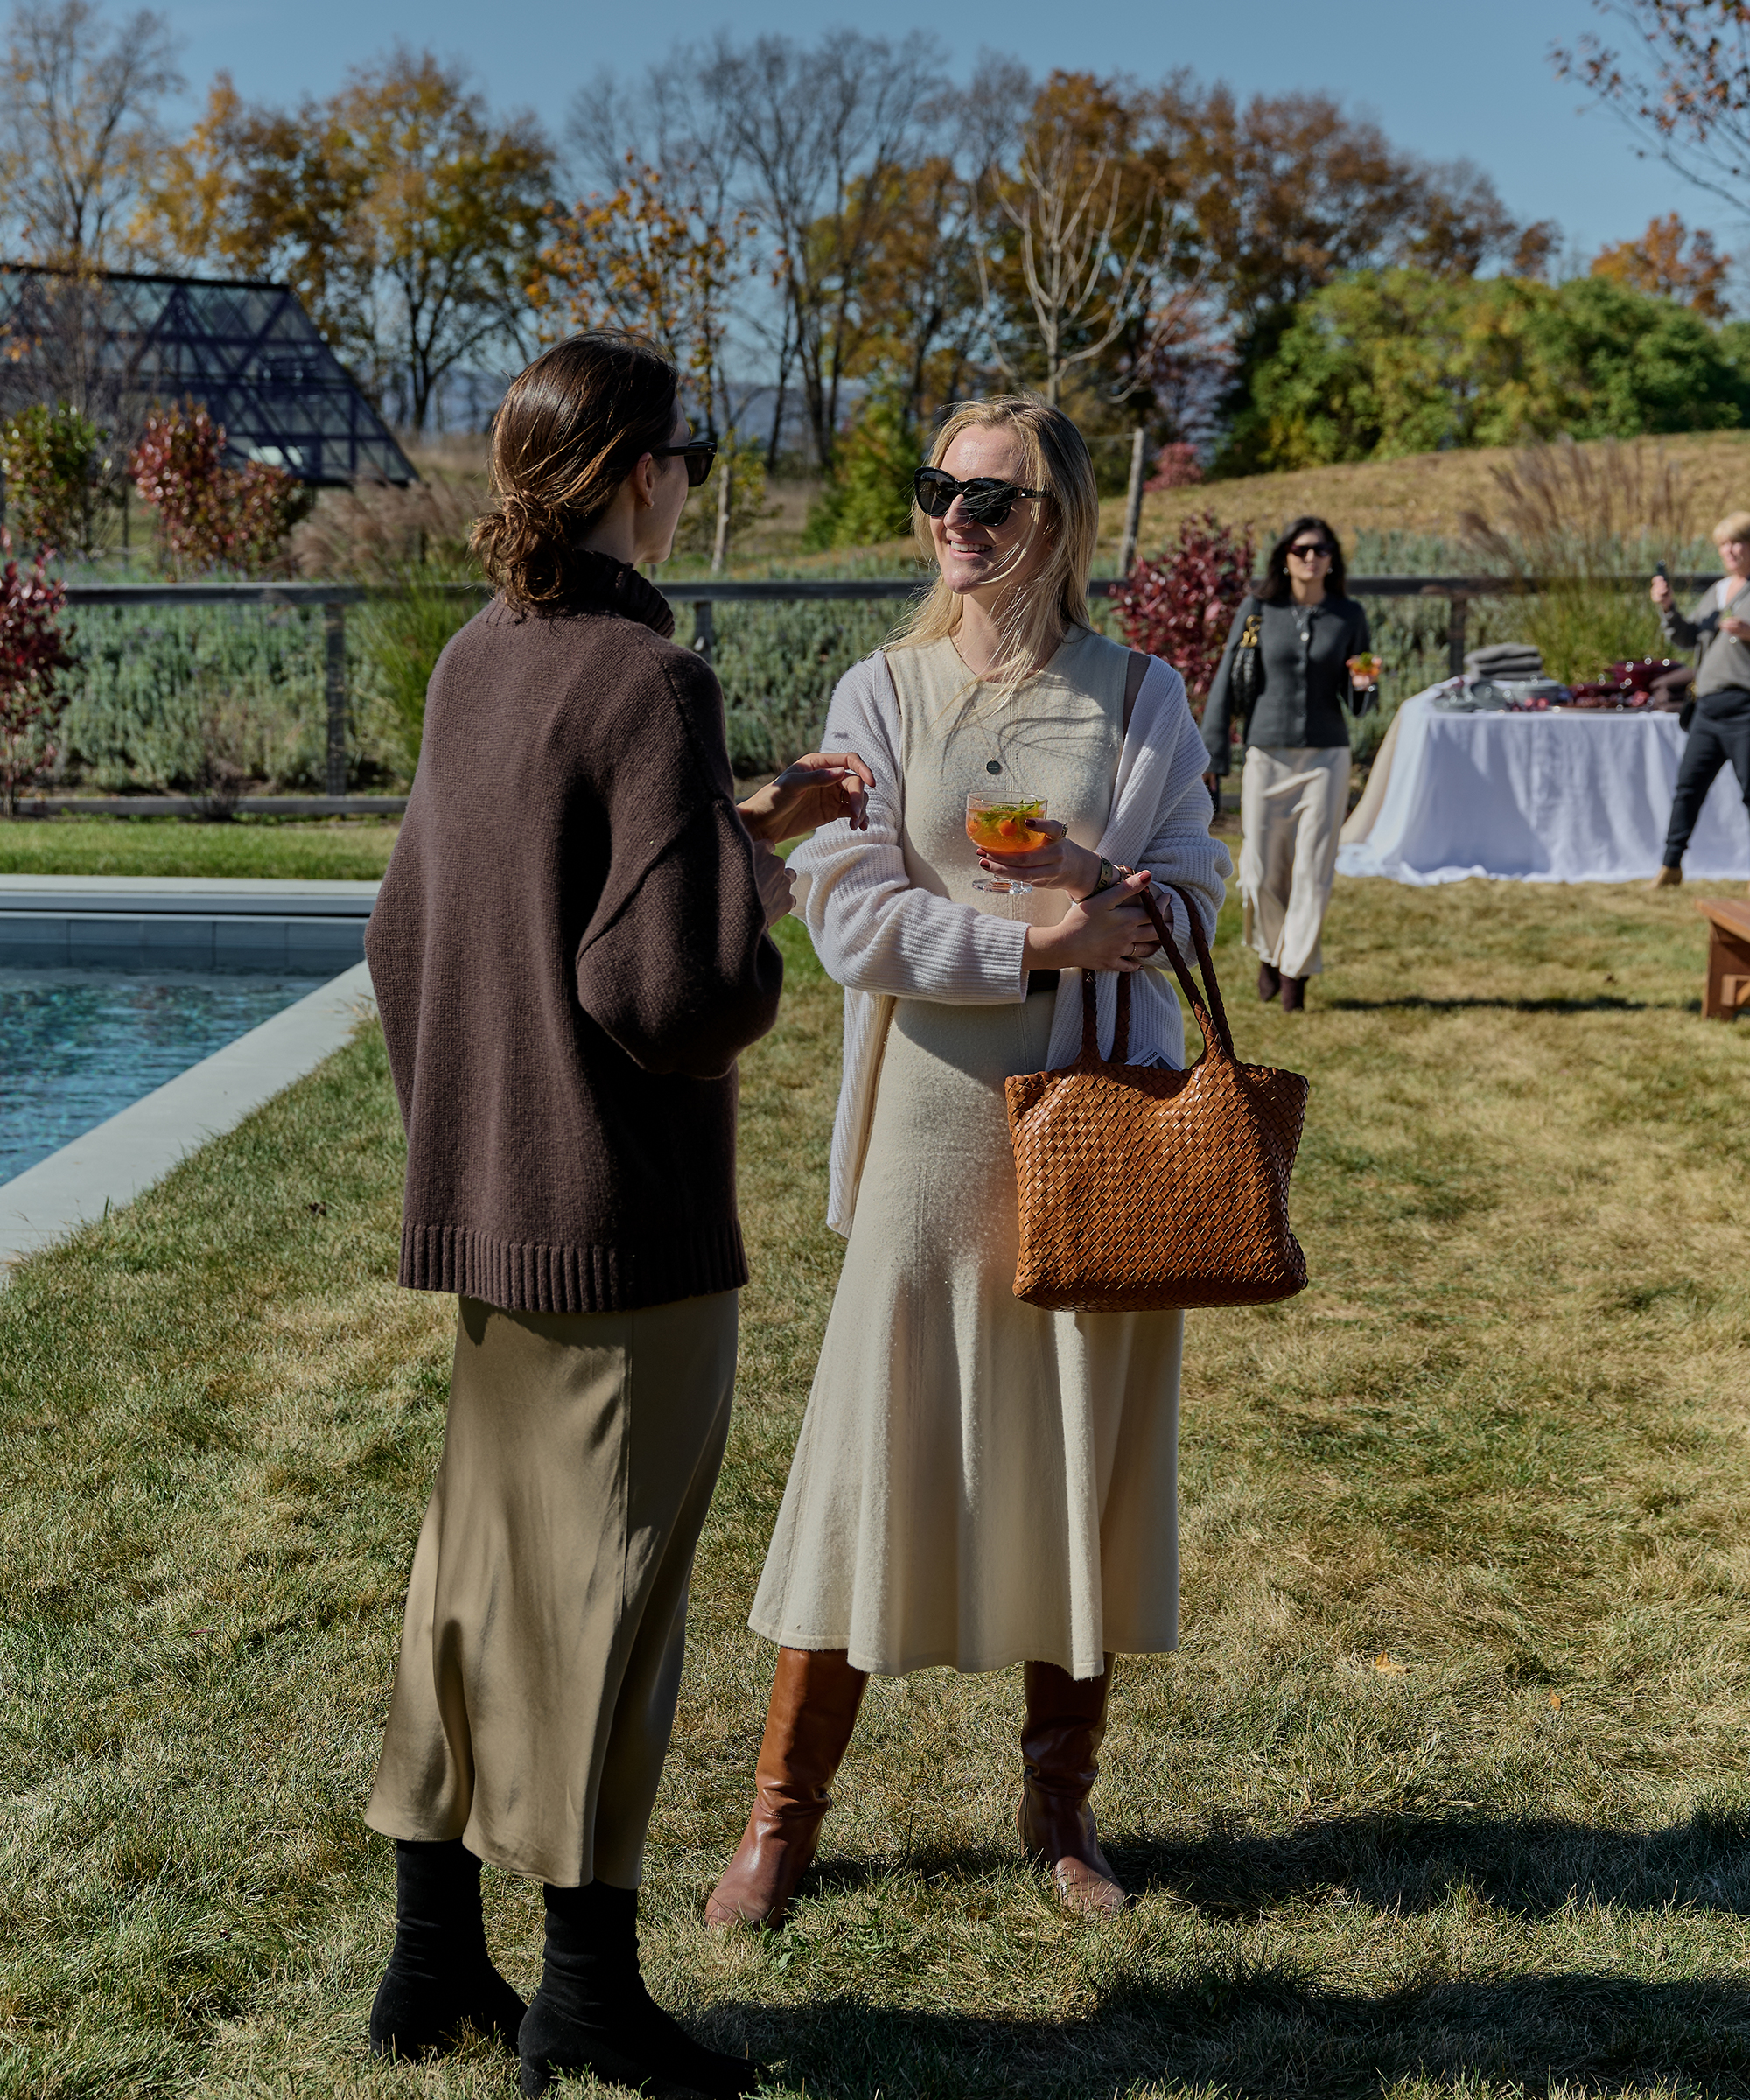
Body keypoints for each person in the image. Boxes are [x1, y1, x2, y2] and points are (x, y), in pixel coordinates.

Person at [360, 332, 871, 2099]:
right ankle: (581, 1997)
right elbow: (670, 993)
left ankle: (428, 1966)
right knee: (607, 1599)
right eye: (695, 449)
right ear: (640, 472)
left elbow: (419, 928)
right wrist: (764, 882)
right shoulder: (653, 684)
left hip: (491, 1203)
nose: (698, 475)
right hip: (621, 1222)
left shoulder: (472, 664)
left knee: (475, 1583)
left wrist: (720, 834)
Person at [704, 394, 1231, 1932]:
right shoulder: (882, 691)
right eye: (939, 490)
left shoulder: (1142, 697)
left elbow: (1196, 892)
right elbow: (843, 910)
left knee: (1076, 1464)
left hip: (1093, 1134)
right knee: (872, 1461)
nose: (955, 519)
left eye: (988, 501)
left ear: (1054, 522)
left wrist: (1097, 884)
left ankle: (1060, 1811)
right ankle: (781, 1820)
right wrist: (1033, 946)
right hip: (933, 1133)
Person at [1199, 515, 1376, 1012]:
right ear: (1285, 557)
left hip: (1326, 756)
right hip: (1266, 754)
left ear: (1331, 559)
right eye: (1301, 550)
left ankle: (1296, 971)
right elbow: (1227, 680)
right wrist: (1214, 754)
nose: (1311, 558)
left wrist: (1366, 687)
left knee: (1313, 868)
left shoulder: (1349, 614)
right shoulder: (1257, 611)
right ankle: (1270, 954)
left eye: (1320, 550)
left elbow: (1360, 693)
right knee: (1260, 869)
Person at [1648, 510, 1750, 888]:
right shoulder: (1717, 592)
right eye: (1724, 544)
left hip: (1746, 710)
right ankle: (1670, 866)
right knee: (1687, 788)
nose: (1731, 550)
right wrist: (1668, 608)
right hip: (1707, 709)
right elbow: (1688, 638)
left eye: (1738, 541)